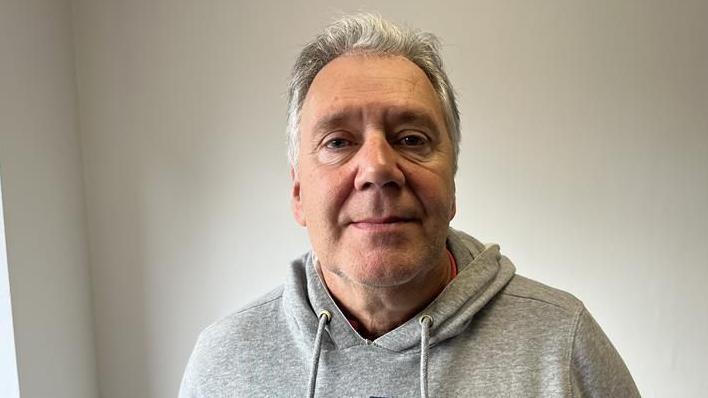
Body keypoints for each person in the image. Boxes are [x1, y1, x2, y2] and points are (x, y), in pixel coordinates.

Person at [179, 14, 640, 398]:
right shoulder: (224, 362)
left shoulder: (562, 345)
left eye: (411, 139)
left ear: (452, 185)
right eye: (338, 141)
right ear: (298, 193)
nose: (378, 168)